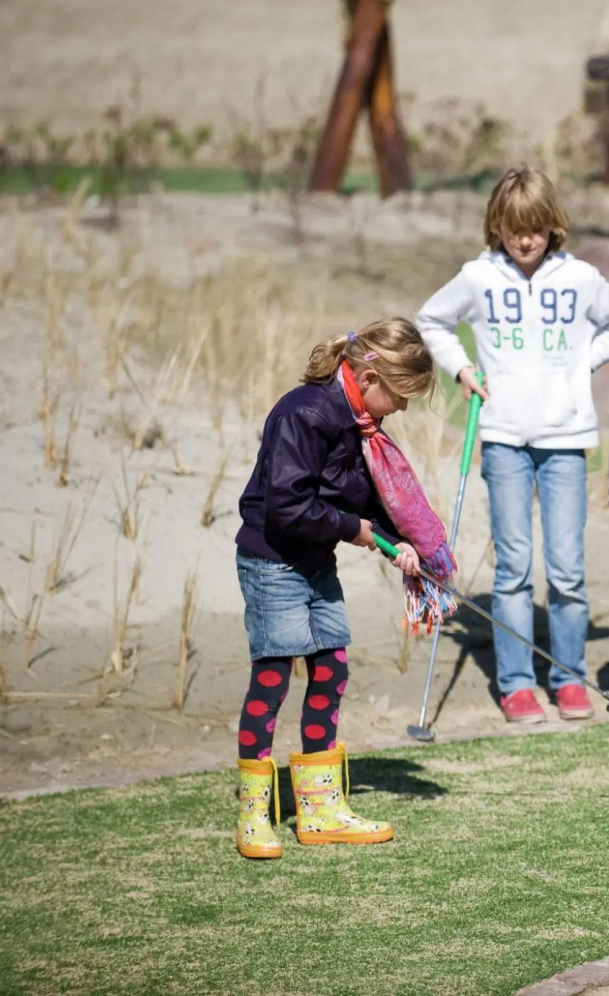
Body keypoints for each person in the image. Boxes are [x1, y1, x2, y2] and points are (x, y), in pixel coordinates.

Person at [415, 166, 609, 724]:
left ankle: (568, 679)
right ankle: (517, 683)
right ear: (498, 225)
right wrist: (463, 369)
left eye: (536, 228)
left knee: (567, 569)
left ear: (552, 226)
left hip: (566, 438)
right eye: (515, 228)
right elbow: (432, 320)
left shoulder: (581, 277)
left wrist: (578, 365)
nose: (525, 239)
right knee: (513, 567)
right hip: (504, 437)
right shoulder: (478, 276)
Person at [234, 317, 453, 859]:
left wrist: (401, 543)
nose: (401, 409)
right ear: (371, 374)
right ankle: (254, 815)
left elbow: (363, 497)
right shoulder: (306, 414)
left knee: (331, 668)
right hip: (273, 561)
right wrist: (360, 533)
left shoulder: (358, 423)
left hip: (313, 562)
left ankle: (320, 809)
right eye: (400, 396)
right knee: (273, 676)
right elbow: (288, 508)